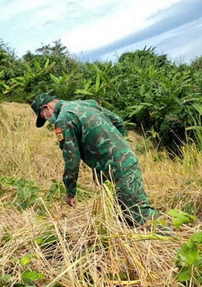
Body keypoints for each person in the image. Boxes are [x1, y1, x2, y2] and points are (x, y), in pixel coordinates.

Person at [30, 93, 158, 227]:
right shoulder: (86, 104)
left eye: (43, 116)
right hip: (125, 163)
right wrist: (120, 148)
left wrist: (70, 192)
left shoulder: (63, 120)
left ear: (46, 108)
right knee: (125, 215)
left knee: (140, 214)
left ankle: (169, 237)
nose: (47, 120)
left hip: (119, 170)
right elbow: (118, 121)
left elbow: (72, 159)